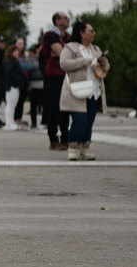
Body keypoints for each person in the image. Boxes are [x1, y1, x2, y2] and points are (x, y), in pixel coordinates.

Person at [59, 21, 109, 161]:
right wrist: (84, 61)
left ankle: (85, 148)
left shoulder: (95, 49)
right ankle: (73, 148)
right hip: (77, 90)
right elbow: (63, 64)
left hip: (94, 91)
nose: (94, 33)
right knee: (80, 120)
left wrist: (104, 62)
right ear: (82, 33)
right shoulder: (70, 48)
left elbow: (105, 68)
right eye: (91, 31)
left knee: (89, 121)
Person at [42, 12, 71, 150]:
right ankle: (53, 139)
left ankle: (65, 138)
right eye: (65, 18)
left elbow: (71, 53)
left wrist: (65, 53)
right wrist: (64, 53)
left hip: (67, 76)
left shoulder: (68, 37)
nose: (68, 20)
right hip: (54, 76)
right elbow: (62, 54)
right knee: (54, 107)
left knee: (66, 108)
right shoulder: (50, 35)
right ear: (57, 21)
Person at [1, 44, 27, 131]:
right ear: (11, 52)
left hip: (15, 86)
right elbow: (8, 73)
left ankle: (11, 122)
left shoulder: (14, 61)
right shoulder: (9, 61)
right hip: (11, 86)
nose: (18, 53)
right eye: (16, 51)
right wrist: (18, 80)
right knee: (10, 105)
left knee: (13, 105)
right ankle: (9, 123)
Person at [13, 37, 33, 127]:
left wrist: (25, 64)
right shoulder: (14, 54)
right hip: (17, 81)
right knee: (16, 101)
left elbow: (29, 67)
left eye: (22, 43)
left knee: (22, 100)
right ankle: (14, 119)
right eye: (19, 43)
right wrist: (25, 64)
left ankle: (19, 119)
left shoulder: (24, 55)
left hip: (25, 80)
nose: (21, 45)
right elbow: (21, 67)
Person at [25, 45, 44, 129]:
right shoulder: (31, 59)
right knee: (33, 105)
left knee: (44, 105)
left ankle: (44, 122)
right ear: (36, 50)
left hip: (43, 84)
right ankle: (34, 123)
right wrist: (28, 84)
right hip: (33, 84)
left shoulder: (45, 58)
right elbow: (28, 71)